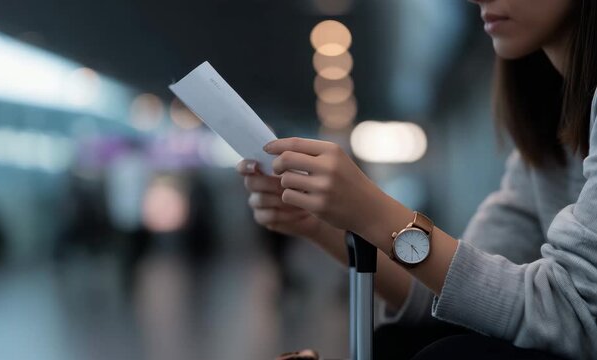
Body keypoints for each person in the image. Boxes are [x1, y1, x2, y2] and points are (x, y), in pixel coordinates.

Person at [237, 0, 597, 358]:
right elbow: (469, 294)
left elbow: (575, 315)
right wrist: (321, 223)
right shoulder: (548, 119)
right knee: (402, 341)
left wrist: (374, 213)